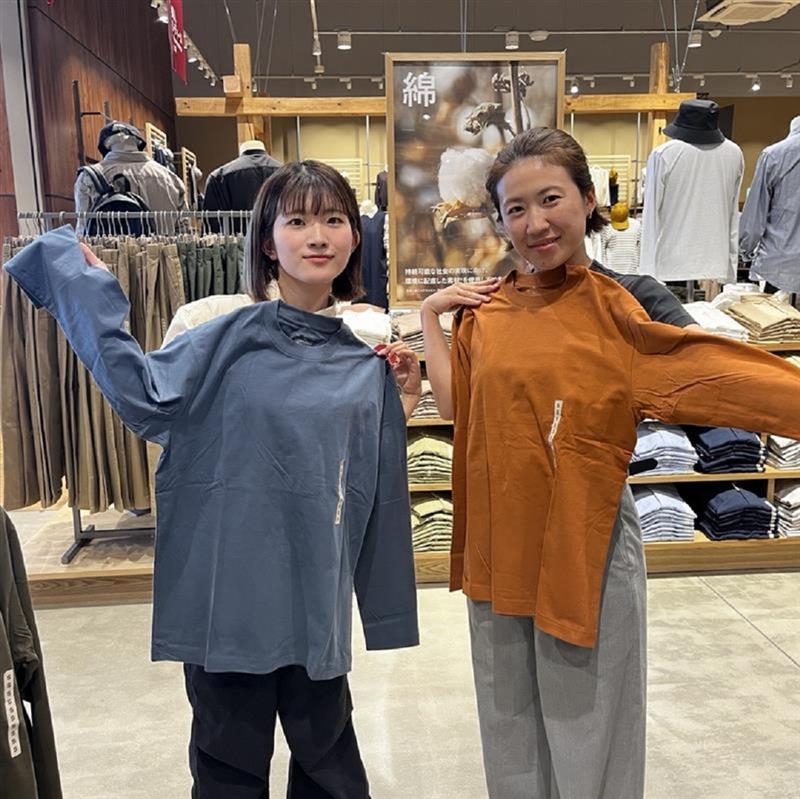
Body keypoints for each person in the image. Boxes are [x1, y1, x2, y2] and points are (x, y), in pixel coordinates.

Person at [5, 160, 421, 798]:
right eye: (297, 221)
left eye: (335, 219)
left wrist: (399, 405)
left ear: (354, 237)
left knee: (330, 768)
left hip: (313, 595)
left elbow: (369, 487)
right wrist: (78, 282)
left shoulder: (363, 357)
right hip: (229, 599)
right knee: (229, 770)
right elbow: (142, 395)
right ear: (267, 242)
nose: (318, 236)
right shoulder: (224, 335)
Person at [420, 127, 800, 799]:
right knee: (510, 731)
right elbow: (461, 410)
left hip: (585, 543)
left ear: (588, 199)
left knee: (592, 731)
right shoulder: (486, 311)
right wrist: (432, 319)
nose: (535, 223)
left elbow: (712, 373)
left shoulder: (624, 301)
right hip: (498, 545)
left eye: (551, 199)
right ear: (500, 220)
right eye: (516, 208)